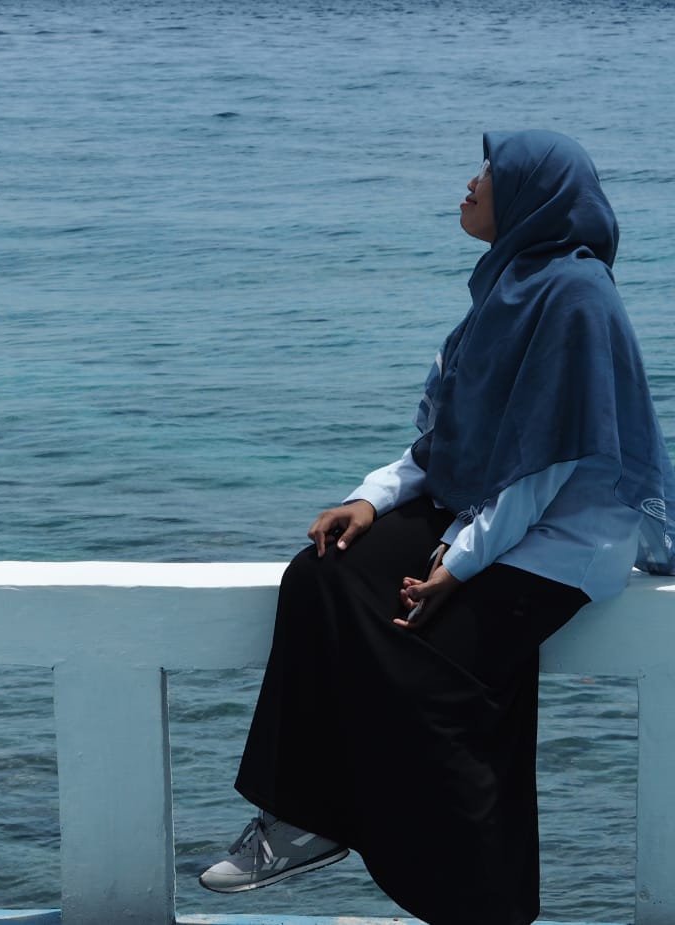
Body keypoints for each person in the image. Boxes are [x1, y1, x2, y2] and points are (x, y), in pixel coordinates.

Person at [199, 130, 675, 925]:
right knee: (321, 573)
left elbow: (547, 463)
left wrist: (460, 559)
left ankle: (486, 907)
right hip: (481, 508)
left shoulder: (577, 296)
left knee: (433, 673)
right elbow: (450, 439)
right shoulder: (509, 283)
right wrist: (371, 498)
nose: (471, 184)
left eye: (490, 172)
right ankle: (303, 818)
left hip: (562, 540)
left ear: (532, 196)